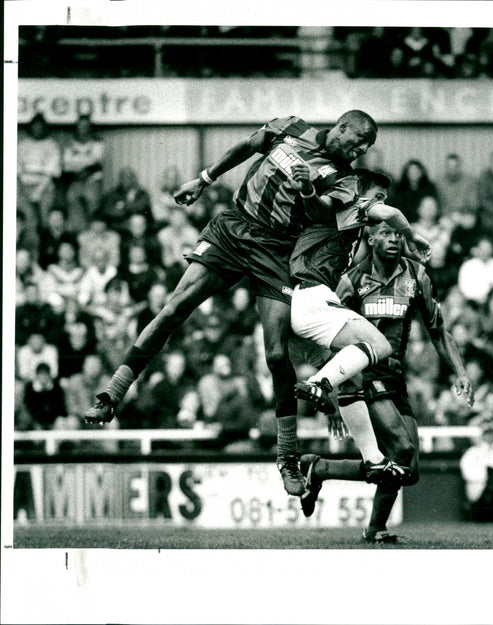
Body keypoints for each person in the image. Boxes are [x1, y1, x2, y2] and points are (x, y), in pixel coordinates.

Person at [84, 110, 380, 496]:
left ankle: (287, 458)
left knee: (276, 356)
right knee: (174, 308)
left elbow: (324, 215)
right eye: (357, 141)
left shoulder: (346, 178)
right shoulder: (291, 127)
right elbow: (247, 146)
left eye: (366, 147)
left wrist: (308, 191)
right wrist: (205, 180)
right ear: (341, 127)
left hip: (277, 251)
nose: (360, 150)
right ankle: (112, 395)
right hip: (234, 227)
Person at [297, 218, 473, 542]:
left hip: (395, 375)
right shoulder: (351, 280)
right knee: (402, 448)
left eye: (397, 234)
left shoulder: (417, 276)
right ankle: (376, 527)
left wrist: (460, 371)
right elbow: (327, 338)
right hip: (363, 374)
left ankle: (319, 469)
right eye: (385, 233)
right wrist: (334, 394)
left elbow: (437, 328)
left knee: (410, 469)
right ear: (371, 238)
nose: (393, 239)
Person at [288, 169, 432, 483]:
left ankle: (373, 459)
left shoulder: (348, 227)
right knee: (380, 346)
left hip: (306, 300)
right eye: (378, 196)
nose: (381, 204)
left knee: (356, 370)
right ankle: (318, 383)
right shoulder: (353, 204)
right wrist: (411, 234)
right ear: (361, 192)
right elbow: (390, 213)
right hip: (312, 294)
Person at [61, 113, 104, 233]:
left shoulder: (97, 142)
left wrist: (79, 165)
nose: (83, 128)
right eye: (81, 125)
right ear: (76, 127)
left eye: (86, 125)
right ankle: (80, 233)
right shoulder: (69, 143)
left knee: (92, 202)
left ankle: (94, 232)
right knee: (72, 199)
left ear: (90, 127)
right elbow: (66, 164)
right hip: (75, 180)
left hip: (92, 179)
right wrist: (83, 163)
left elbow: (95, 162)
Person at [435, 153, 478, 218]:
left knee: (470, 222)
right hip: (445, 216)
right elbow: (438, 204)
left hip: (465, 215)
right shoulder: (439, 182)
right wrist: (450, 214)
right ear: (446, 167)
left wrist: (460, 214)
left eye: (455, 166)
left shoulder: (469, 181)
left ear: (459, 166)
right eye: (449, 166)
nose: (452, 169)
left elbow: (473, 204)